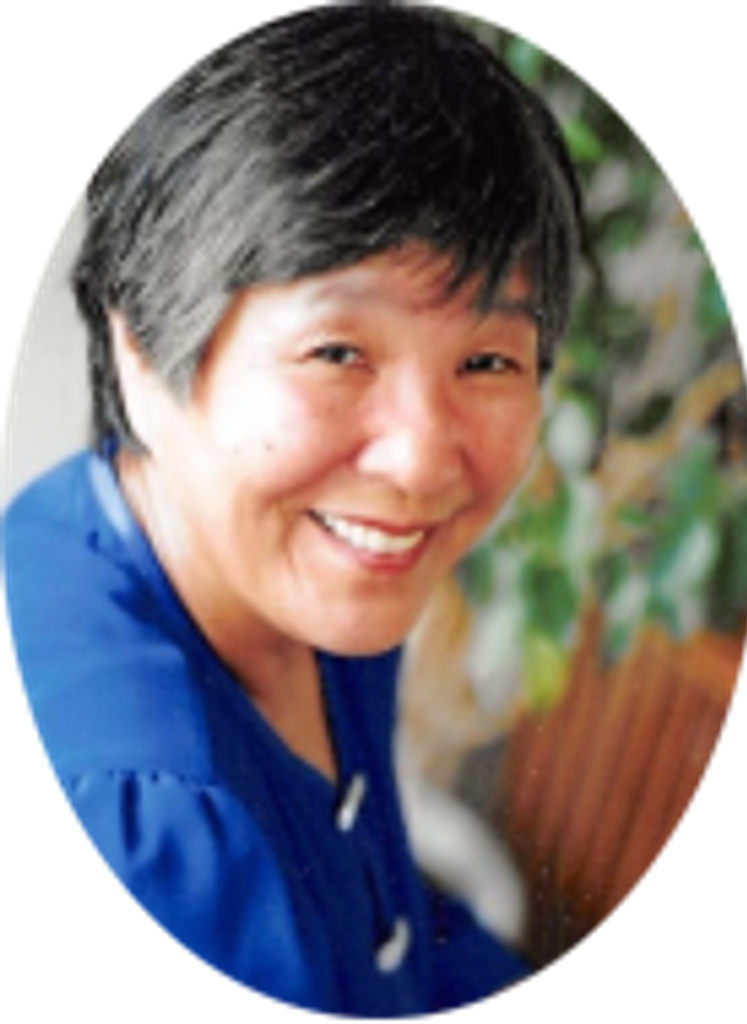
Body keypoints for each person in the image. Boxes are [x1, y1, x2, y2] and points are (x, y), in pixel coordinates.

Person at [2, 2, 581, 1017]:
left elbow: (374, 907)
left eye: (489, 360)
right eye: (337, 352)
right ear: (142, 356)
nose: (418, 462)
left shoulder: (305, 574)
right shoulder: (147, 830)